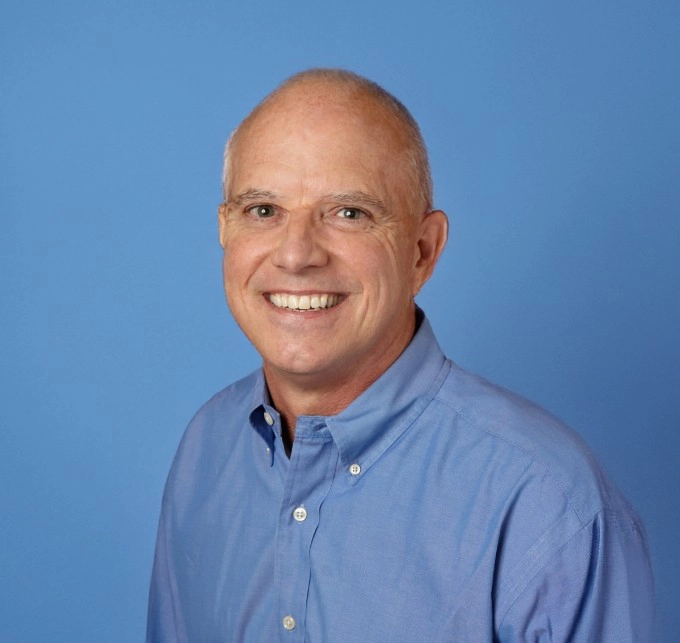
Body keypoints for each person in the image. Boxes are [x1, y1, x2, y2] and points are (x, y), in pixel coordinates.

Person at [147, 69, 655, 642]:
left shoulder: (548, 503)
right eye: (263, 210)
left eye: (349, 212)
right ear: (225, 229)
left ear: (422, 251)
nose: (295, 254)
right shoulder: (206, 451)